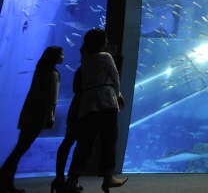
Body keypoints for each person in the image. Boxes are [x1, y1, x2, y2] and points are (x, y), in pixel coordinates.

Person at [65, 29, 127, 193]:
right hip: (106, 101)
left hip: (88, 104)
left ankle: (72, 179)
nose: (107, 42)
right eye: (105, 39)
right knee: (109, 141)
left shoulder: (85, 57)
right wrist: (119, 95)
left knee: (85, 144)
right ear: (102, 42)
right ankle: (108, 178)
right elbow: (115, 78)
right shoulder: (106, 57)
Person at [0, 46, 63, 193]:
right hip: (38, 116)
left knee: (19, 148)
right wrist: (51, 116)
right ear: (54, 57)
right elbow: (52, 99)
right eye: (61, 54)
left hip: (29, 113)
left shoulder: (41, 70)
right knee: (20, 149)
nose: (63, 56)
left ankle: (5, 180)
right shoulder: (53, 74)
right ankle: (4, 180)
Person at [51, 64, 82, 193]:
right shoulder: (87, 69)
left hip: (76, 107)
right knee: (80, 145)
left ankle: (59, 178)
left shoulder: (81, 69)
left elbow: (75, 88)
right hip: (84, 108)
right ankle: (71, 180)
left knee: (68, 142)